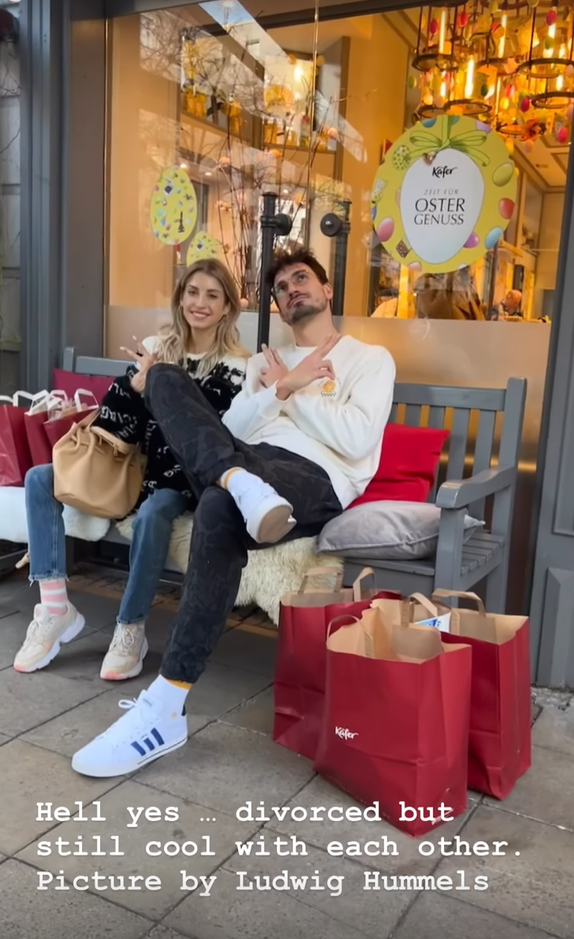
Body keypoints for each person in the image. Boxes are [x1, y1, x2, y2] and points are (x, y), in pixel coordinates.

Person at [70, 247, 396, 778]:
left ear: (327, 289)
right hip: (249, 464)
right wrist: (277, 387)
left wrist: (290, 391)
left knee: (219, 503)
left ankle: (166, 702)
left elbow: (357, 440)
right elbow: (235, 431)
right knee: (164, 378)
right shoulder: (262, 362)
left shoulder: (370, 358)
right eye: (282, 286)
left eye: (301, 279)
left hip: (314, 478)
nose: (292, 289)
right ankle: (243, 486)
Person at [14, 260, 249, 681]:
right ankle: (54, 609)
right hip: (131, 467)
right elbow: (113, 424)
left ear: (228, 307)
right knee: (39, 479)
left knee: (157, 510)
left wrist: (158, 389)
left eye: (213, 295)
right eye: (193, 292)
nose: (200, 303)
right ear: (180, 298)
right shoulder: (157, 347)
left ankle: (130, 627)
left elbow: (204, 432)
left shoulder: (235, 365)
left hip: (181, 477)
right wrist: (133, 389)